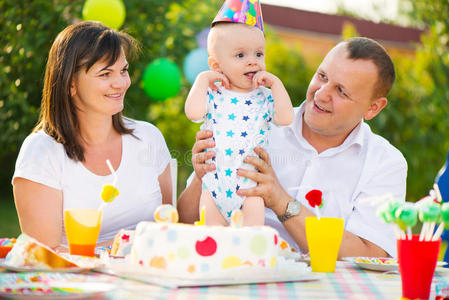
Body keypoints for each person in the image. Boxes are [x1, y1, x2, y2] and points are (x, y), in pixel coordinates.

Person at [178, 36, 407, 258]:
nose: (321, 93)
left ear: (373, 108)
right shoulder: (255, 121)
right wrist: (202, 178)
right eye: (322, 76)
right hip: (240, 273)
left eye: (341, 91)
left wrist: (280, 201)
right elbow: (185, 221)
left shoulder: (385, 163)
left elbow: (371, 254)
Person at [12, 21, 172, 249]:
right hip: (77, 283)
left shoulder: (148, 138)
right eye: (105, 74)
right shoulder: (41, 152)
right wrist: (131, 244)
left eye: (123, 71)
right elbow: (45, 256)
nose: (120, 83)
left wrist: (200, 174)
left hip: (153, 279)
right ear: (71, 84)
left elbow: (173, 221)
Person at [184, 1, 293, 226]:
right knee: (213, 241)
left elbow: (285, 118)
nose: (253, 60)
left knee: (251, 242)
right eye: (240, 55)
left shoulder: (264, 96)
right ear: (216, 65)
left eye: (259, 54)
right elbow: (193, 112)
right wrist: (202, 79)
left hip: (250, 187)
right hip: (214, 184)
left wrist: (277, 85)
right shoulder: (213, 92)